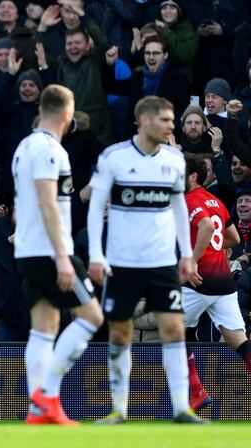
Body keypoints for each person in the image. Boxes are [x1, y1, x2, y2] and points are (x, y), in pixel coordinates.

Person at [87, 95, 205, 424]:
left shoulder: (174, 159)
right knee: (121, 333)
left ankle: (182, 408)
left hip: (162, 263)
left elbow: (179, 207)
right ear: (145, 120)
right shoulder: (114, 158)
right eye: (166, 120)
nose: (172, 125)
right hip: (122, 263)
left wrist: (185, 254)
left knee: (173, 329)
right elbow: (97, 207)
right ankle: (119, 411)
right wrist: (96, 254)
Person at [11, 84, 103, 425]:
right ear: (68, 114)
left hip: (27, 250)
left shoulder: (24, 147)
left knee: (45, 327)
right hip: (50, 250)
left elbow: (26, 205)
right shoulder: (52, 150)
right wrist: (64, 256)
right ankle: (47, 395)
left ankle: (38, 412)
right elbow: (49, 203)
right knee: (92, 317)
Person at [182, 155, 251, 412]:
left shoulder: (190, 200)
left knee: (173, 333)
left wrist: (192, 259)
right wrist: (214, 251)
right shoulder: (217, 202)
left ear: (192, 177)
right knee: (240, 342)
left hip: (199, 280)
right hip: (224, 283)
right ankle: (196, 391)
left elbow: (207, 228)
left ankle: (196, 391)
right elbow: (232, 237)